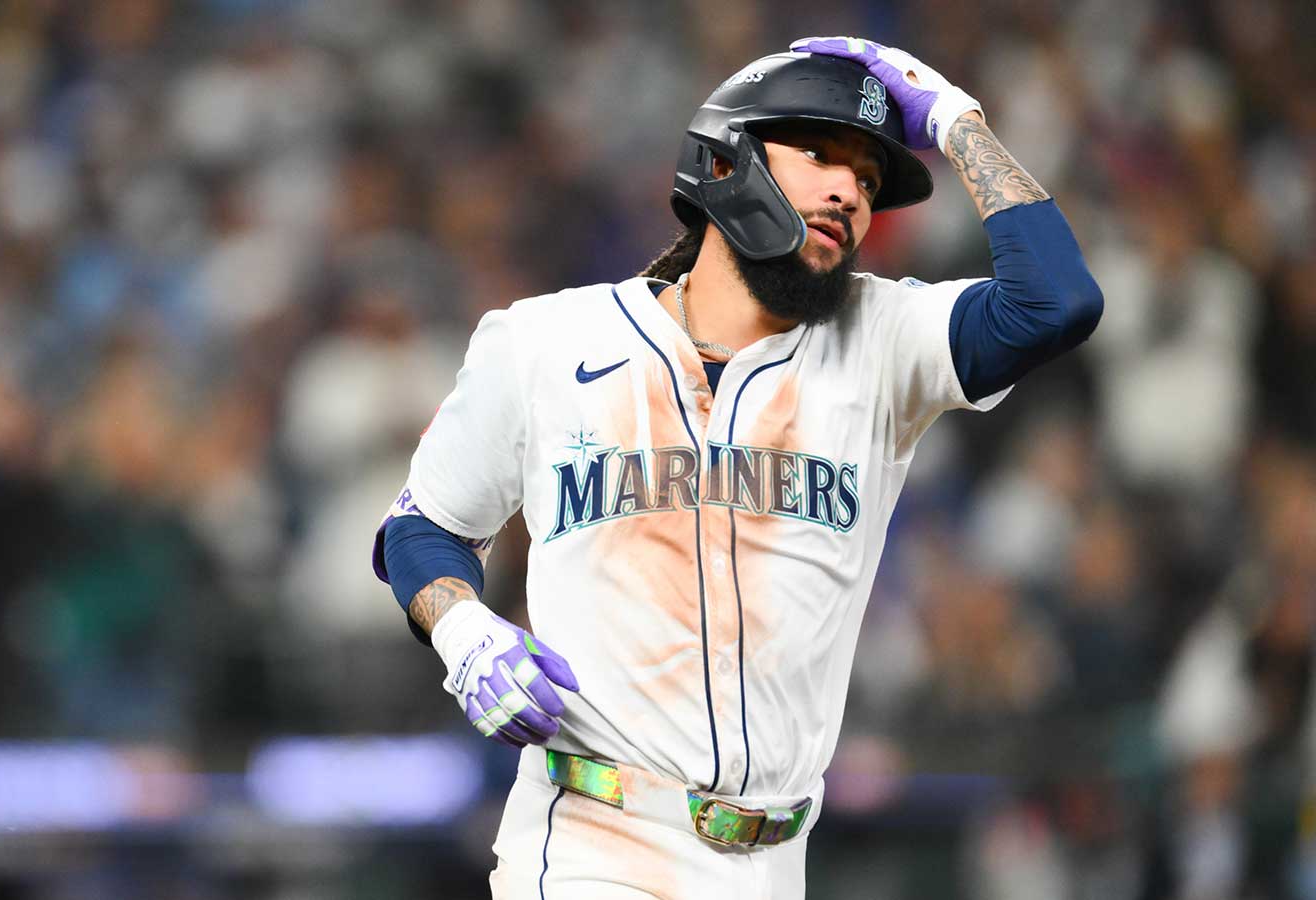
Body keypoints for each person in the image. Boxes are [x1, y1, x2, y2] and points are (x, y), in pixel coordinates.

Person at [372, 37, 1103, 898]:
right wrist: (465, 630)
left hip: (774, 862)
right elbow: (422, 526)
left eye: (868, 182)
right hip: (593, 844)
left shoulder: (881, 341)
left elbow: (1055, 301)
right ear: (729, 160)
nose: (848, 193)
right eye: (821, 155)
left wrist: (954, 119)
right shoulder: (545, 343)